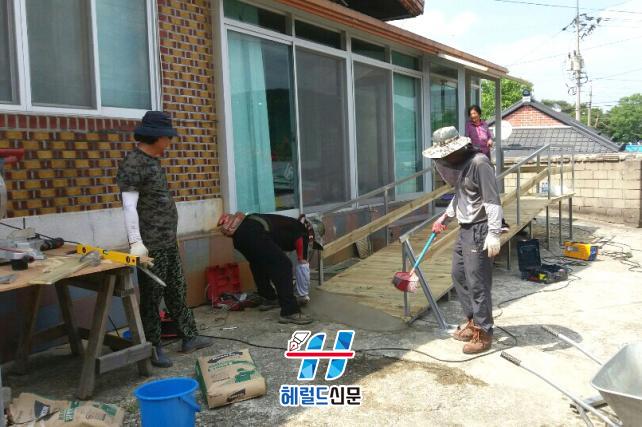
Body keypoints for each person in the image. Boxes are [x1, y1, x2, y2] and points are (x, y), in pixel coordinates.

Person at [116, 111, 212, 368]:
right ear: (157, 136)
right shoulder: (133, 163)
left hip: (167, 241)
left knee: (177, 289)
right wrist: (136, 241)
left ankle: (189, 336)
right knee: (152, 296)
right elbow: (129, 206)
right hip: (150, 245)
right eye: (168, 137)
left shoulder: (153, 161)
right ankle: (153, 346)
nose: (170, 141)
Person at [424, 126, 503, 354]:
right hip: (465, 228)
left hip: (480, 227)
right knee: (458, 275)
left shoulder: (479, 163)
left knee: (478, 282)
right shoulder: (461, 166)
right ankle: (472, 321)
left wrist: (494, 233)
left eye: (447, 154)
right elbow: (461, 196)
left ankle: (484, 332)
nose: (445, 159)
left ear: (457, 148)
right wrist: (444, 218)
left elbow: (492, 200)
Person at [218, 213, 323, 325]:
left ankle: (269, 297)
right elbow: (303, 265)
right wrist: (303, 294)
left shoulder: (289, 224)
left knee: (258, 263)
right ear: (312, 233)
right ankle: (290, 311)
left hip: (240, 235)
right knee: (284, 265)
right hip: (253, 232)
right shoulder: (302, 232)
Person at [466, 104, 510, 233]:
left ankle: (500, 221)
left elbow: (490, 137)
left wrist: (490, 141)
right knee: (484, 190)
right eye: (471, 114)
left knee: (490, 190)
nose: (473, 116)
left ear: (479, 113)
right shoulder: (469, 126)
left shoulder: (484, 124)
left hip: (486, 156)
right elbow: (467, 139)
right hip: (475, 157)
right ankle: (494, 221)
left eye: (475, 113)